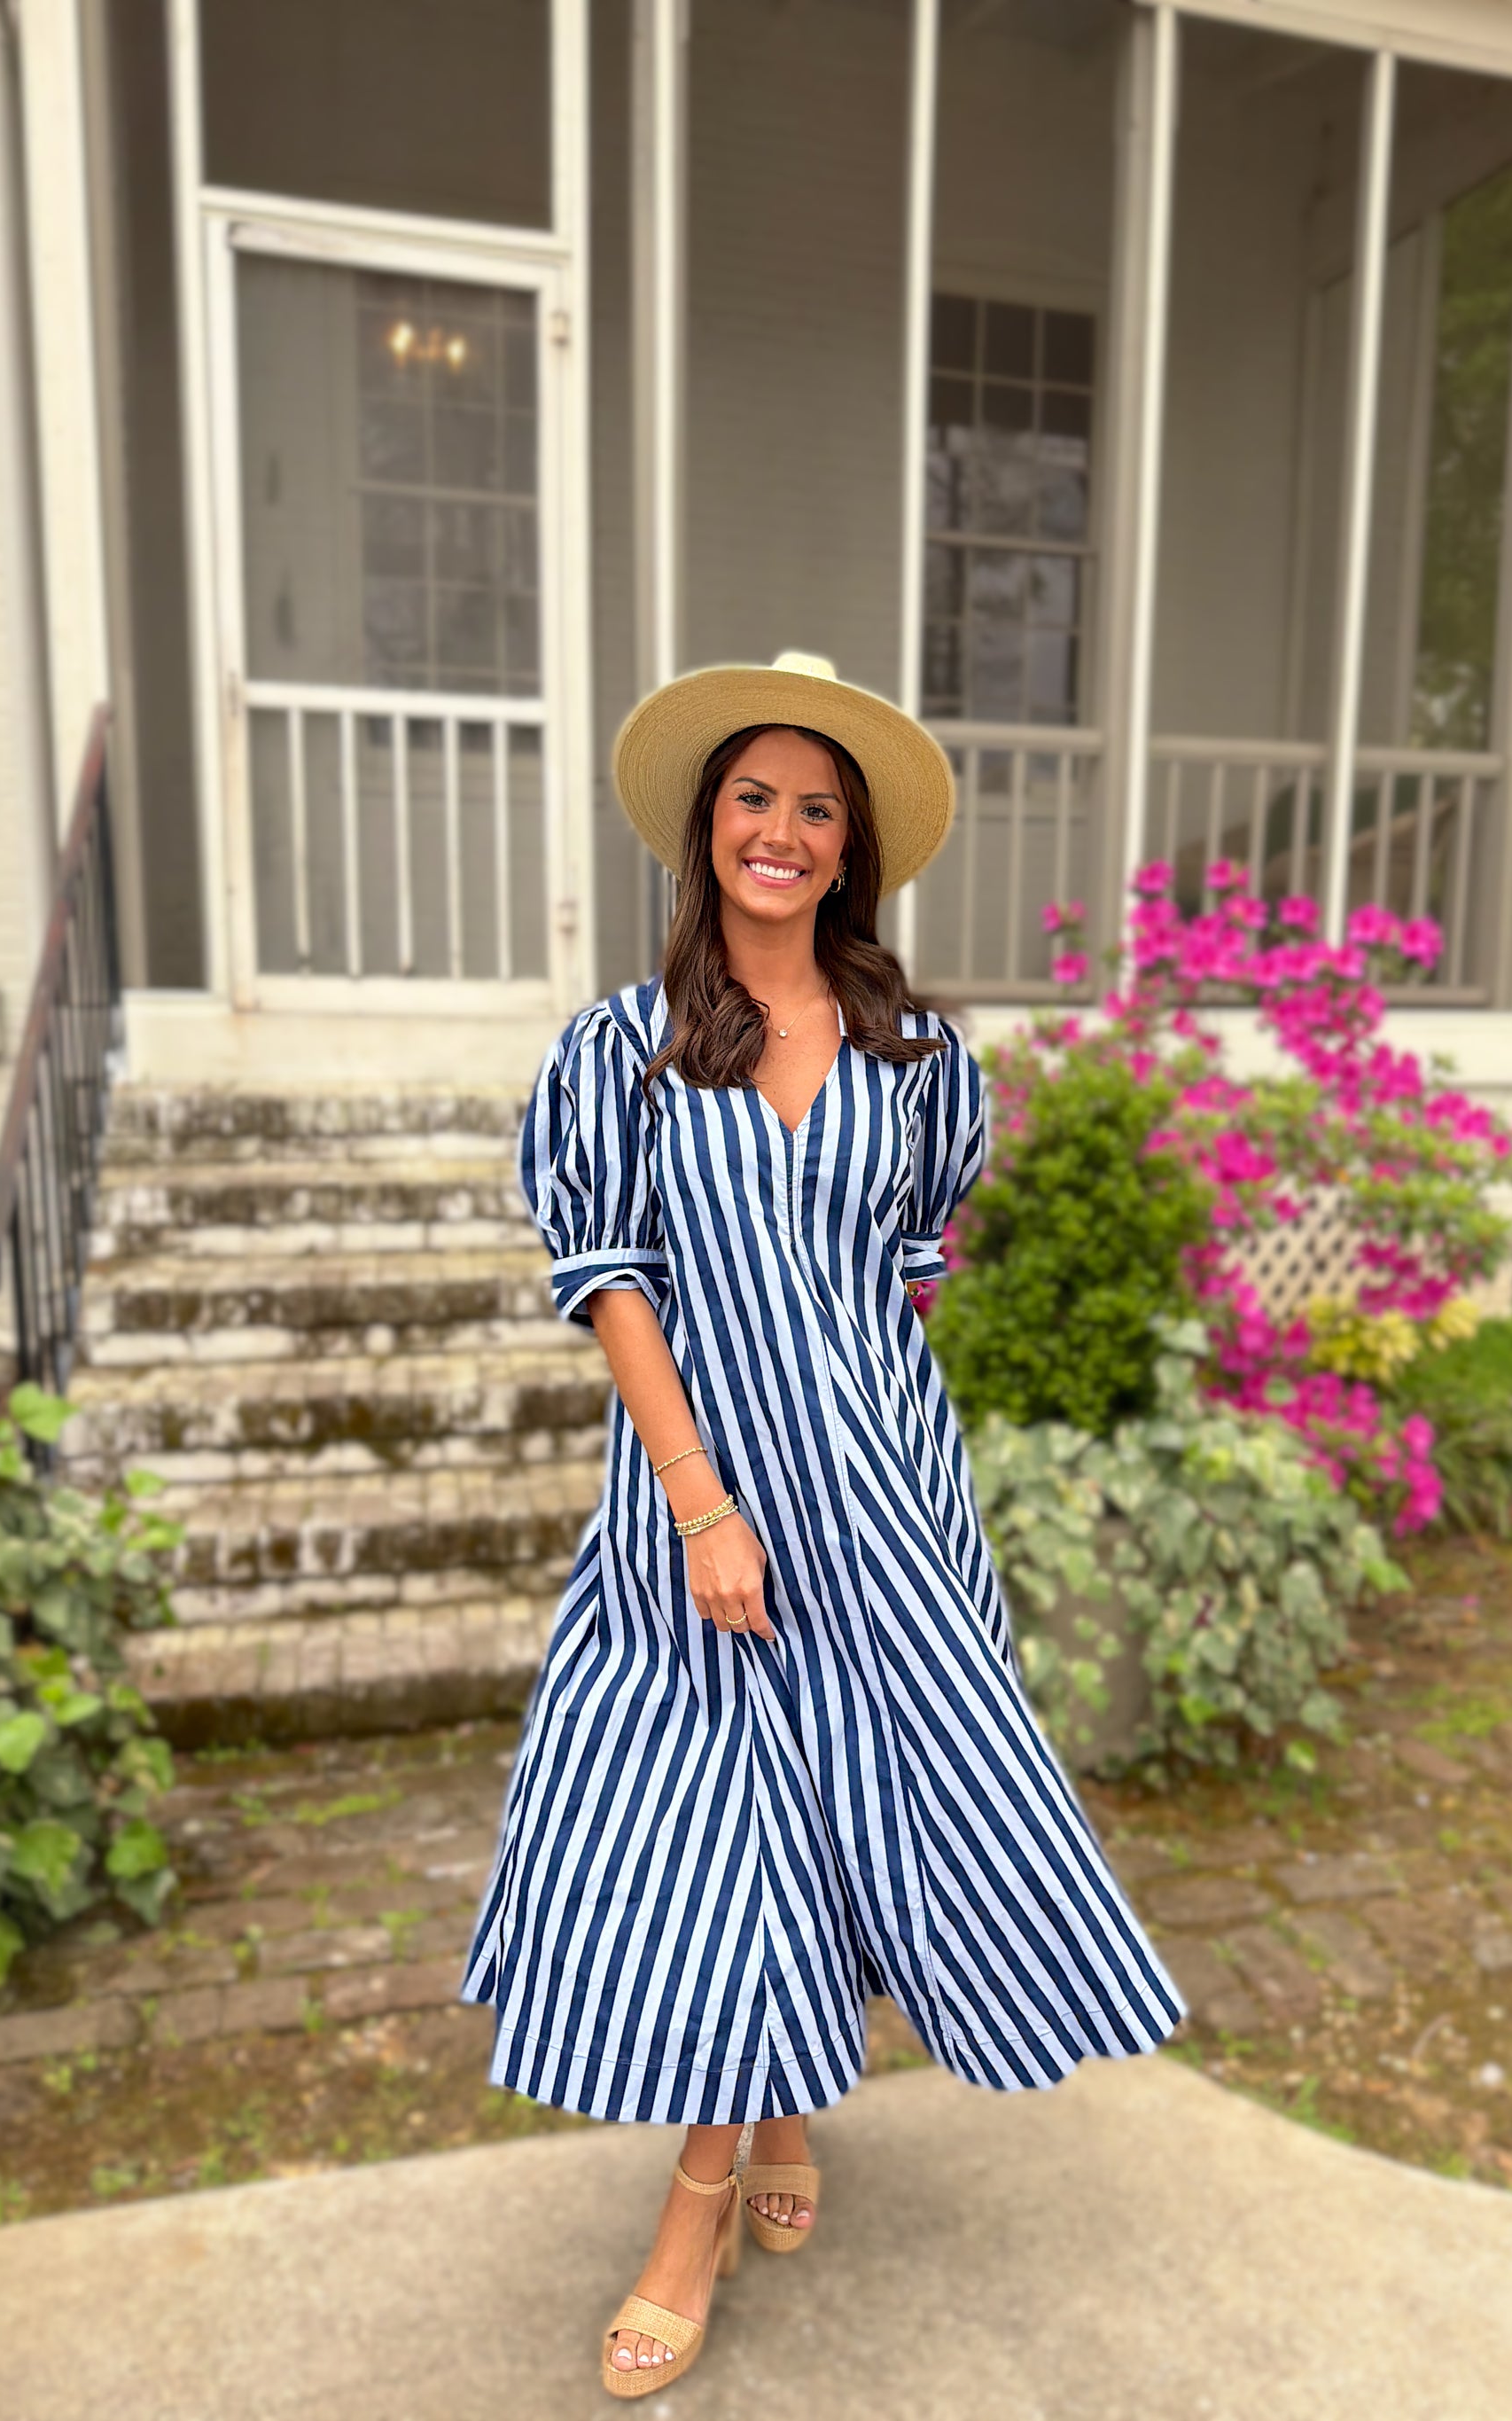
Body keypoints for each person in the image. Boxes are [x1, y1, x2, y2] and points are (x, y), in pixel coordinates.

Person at [461, 652, 1186, 2398]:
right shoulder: (618, 1053)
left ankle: (777, 2113)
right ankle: (694, 2200)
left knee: (834, 1811)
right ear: (705, 825)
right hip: (699, 1517)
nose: (780, 830)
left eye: (815, 804)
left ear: (847, 841)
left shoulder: (916, 1054)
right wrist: (708, 1496)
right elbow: (612, 1281)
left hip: (883, 1510)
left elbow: (904, 1273)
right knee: (720, 1836)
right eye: (752, 797)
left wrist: (865, 1450)